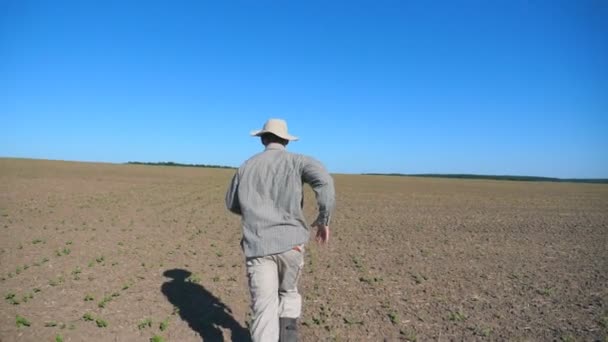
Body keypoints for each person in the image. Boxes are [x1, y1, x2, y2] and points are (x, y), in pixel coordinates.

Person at [225, 118, 335, 342]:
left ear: (263, 139)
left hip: (258, 246)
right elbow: (324, 182)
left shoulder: (247, 166)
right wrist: (323, 220)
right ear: (286, 140)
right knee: (288, 294)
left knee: (264, 307)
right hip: (291, 243)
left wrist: (254, 212)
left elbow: (231, 203)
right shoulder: (299, 161)